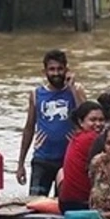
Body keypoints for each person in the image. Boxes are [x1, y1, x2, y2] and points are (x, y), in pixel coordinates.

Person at [16, 49, 87, 196]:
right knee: (35, 203)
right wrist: (20, 163)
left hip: (69, 158)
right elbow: (29, 128)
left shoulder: (77, 90)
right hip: (42, 159)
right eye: (52, 69)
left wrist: (73, 89)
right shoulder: (36, 94)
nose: (56, 73)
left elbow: (86, 118)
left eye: (60, 69)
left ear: (66, 70)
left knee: (64, 204)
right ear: (45, 71)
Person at [58, 101, 107, 214]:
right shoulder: (93, 138)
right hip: (82, 204)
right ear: (81, 122)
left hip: (65, 204)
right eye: (93, 120)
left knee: (61, 172)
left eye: (101, 120)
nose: (98, 124)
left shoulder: (77, 137)